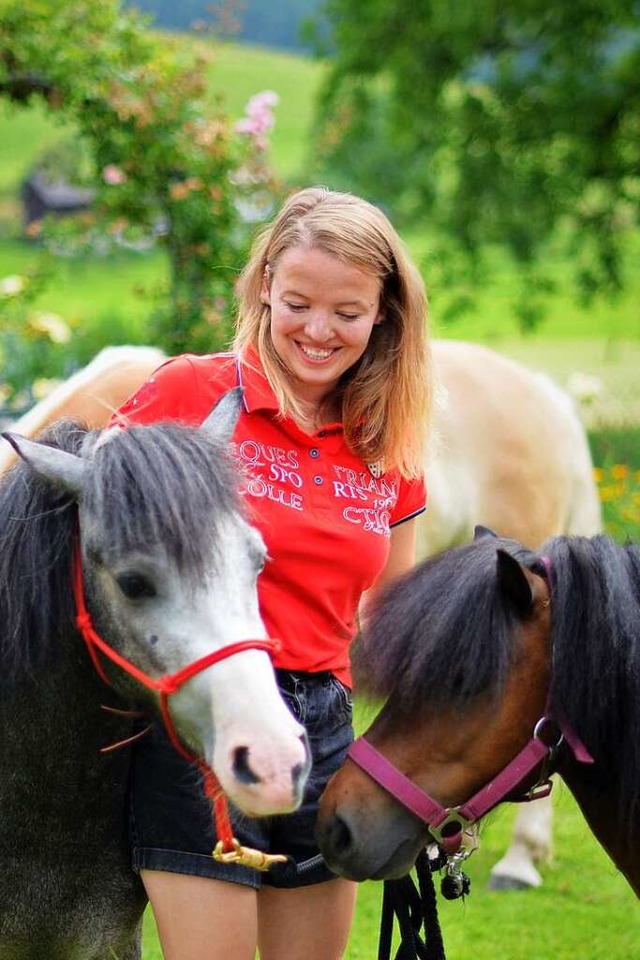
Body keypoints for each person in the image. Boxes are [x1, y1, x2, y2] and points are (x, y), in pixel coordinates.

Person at [112, 186, 432, 960]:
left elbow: (392, 623)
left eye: (347, 313)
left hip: (325, 728)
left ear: (384, 312)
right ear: (264, 289)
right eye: (297, 302)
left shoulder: (391, 446)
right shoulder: (190, 392)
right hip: (201, 718)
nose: (318, 332)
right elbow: (98, 543)